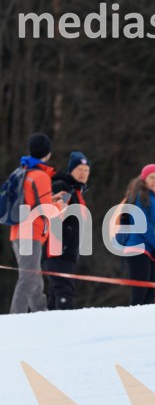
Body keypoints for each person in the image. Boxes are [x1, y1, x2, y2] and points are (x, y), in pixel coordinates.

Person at [8, 133, 67, 314]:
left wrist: (51, 199)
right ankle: (14, 318)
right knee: (28, 278)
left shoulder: (22, 172)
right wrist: (60, 206)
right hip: (31, 232)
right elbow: (45, 209)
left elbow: (33, 201)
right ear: (47, 153)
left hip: (18, 231)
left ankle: (40, 312)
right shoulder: (40, 176)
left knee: (34, 275)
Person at [43, 151, 90, 310]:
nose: (83, 174)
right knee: (65, 292)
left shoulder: (76, 190)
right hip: (59, 250)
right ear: (71, 171)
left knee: (56, 293)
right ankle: (63, 329)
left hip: (68, 250)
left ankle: (50, 326)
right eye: (79, 170)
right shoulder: (62, 186)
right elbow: (53, 214)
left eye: (86, 170)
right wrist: (62, 242)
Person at [119, 164, 155, 306]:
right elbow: (142, 224)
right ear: (144, 178)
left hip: (148, 249)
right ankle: (132, 324)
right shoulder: (140, 196)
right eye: (151, 177)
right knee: (140, 294)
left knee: (150, 295)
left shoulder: (154, 197)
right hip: (137, 248)